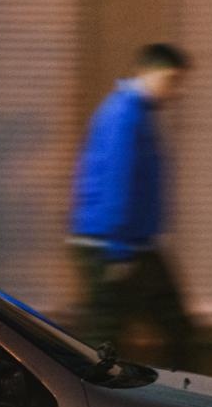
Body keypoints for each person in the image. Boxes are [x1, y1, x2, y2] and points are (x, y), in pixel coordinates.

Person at [69, 42, 196, 370]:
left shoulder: (136, 113)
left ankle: (179, 391)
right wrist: (119, 252)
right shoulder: (124, 115)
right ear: (146, 73)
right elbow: (117, 180)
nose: (176, 91)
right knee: (107, 337)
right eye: (171, 80)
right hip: (113, 246)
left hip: (130, 244)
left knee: (120, 334)